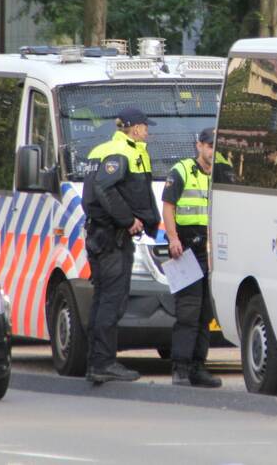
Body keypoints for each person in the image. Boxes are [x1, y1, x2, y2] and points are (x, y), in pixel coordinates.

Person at [82, 107, 161, 384]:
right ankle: (104, 363)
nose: (147, 132)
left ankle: (96, 361)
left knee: (103, 299)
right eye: (145, 127)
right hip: (112, 238)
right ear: (135, 128)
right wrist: (128, 220)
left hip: (102, 236)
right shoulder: (122, 152)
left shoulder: (103, 150)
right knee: (112, 301)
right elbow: (104, 188)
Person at [162, 127, 222, 388]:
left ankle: (198, 366)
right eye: (209, 145)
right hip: (187, 249)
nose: (213, 151)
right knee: (188, 311)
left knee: (205, 312)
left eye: (216, 146)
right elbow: (168, 207)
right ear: (199, 146)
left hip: (212, 251)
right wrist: (173, 238)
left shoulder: (221, 173)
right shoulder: (183, 170)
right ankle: (181, 368)